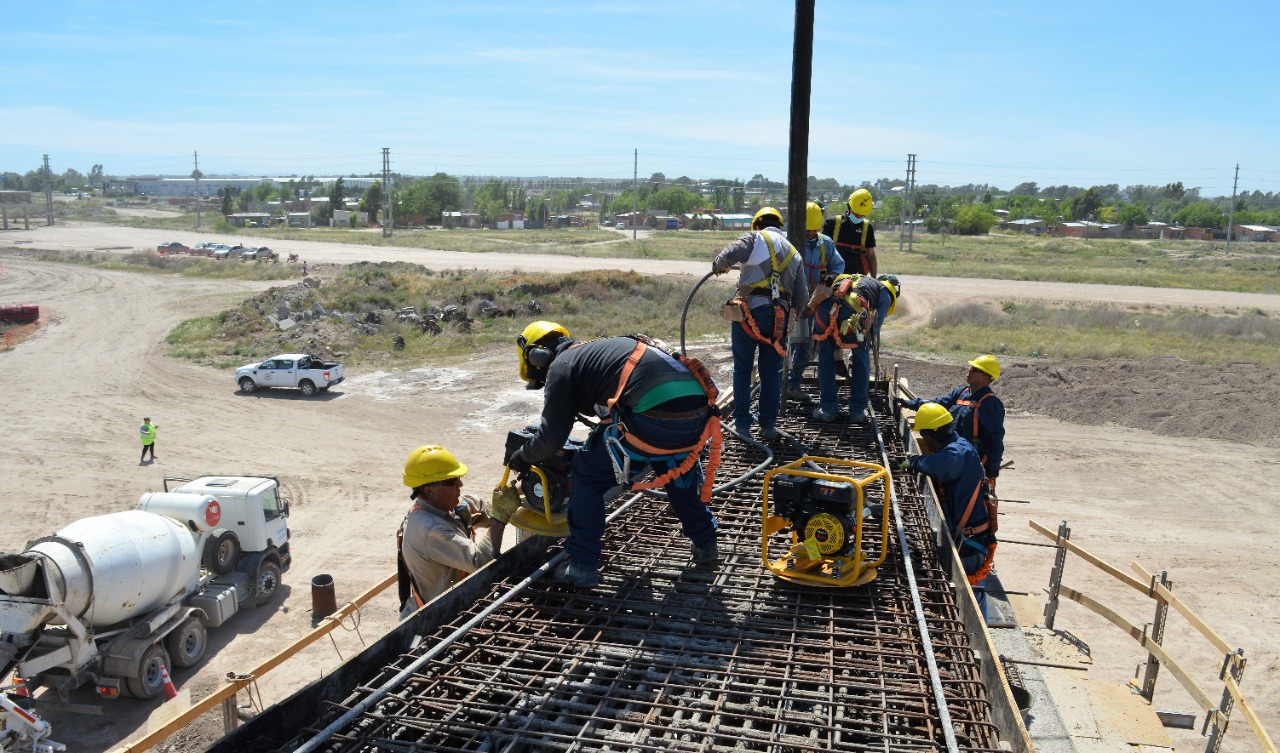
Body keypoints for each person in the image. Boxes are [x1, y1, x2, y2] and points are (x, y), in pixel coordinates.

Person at [508, 321, 722, 589]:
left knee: (587, 475)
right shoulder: (601, 350)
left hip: (652, 418)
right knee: (674, 468)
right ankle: (706, 544)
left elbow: (552, 438)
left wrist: (523, 456)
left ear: (538, 357)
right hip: (697, 416)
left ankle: (582, 566)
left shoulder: (562, 366)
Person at [711, 206, 808, 438]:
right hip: (779, 319)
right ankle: (768, 426)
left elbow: (725, 257)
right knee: (770, 373)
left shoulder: (754, 238)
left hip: (749, 313)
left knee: (743, 369)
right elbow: (802, 297)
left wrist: (718, 266)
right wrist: (787, 319)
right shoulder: (794, 253)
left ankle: (743, 425)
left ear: (757, 225)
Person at [901, 403, 997, 618]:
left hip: (970, 543)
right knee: (967, 593)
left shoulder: (956, 453)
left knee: (969, 599)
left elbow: (939, 466)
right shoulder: (958, 445)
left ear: (933, 434)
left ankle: (976, 626)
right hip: (970, 536)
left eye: (925, 437)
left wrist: (914, 461)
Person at [397, 445, 514, 618]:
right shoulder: (430, 530)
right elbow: (481, 560)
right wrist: (500, 515)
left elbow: (485, 509)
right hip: (437, 620)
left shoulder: (444, 507)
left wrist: (519, 490)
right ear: (429, 490)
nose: (460, 484)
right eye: (452, 482)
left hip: (457, 602)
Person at [897, 355, 1005, 488]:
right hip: (950, 455)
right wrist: (911, 404)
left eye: (975, 369)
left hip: (969, 462)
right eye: (971, 367)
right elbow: (939, 404)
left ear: (986, 378)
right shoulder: (962, 392)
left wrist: (992, 469)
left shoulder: (990, 403)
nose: (969, 370)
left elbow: (995, 440)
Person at [808, 273, 899, 423]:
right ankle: (857, 412)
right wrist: (859, 349)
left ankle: (827, 410)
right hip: (854, 315)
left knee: (825, 359)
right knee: (861, 360)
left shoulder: (854, 279)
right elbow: (874, 330)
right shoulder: (884, 294)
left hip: (825, 310)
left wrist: (838, 354)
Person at [786, 202, 844, 402]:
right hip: (793, 299)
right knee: (788, 343)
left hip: (818, 299)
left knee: (807, 345)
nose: (810, 233)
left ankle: (792, 385)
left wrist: (831, 277)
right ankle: (784, 385)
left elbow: (838, 264)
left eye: (813, 230)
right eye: (806, 230)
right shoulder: (789, 241)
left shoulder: (826, 243)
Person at [822, 188, 878, 277]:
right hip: (833, 278)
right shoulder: (831, 224)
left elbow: (871, 256)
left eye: (862, 215)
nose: (859, 217)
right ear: (849, 206)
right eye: (856, 214)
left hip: (859, 280)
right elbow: (821, 253)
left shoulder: (867, 228)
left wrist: (874, 280)